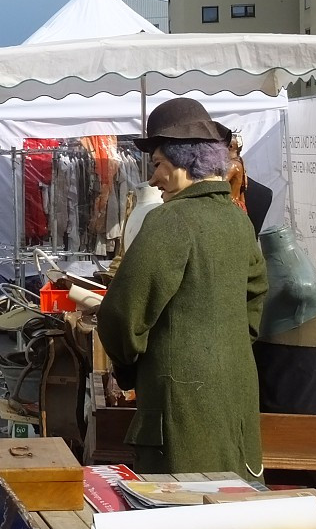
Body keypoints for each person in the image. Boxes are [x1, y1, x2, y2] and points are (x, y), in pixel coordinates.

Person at [98, 98, 267, 478]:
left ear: (184, 161)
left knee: (184, 522)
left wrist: (133, 369)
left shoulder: (170, 221)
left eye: (157, 164)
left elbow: (121, 315)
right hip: (235, 398)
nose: (154, 178)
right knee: (231, 517)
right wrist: (228, 348)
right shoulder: (240, 222)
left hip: (180, 409)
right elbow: (255, 302)